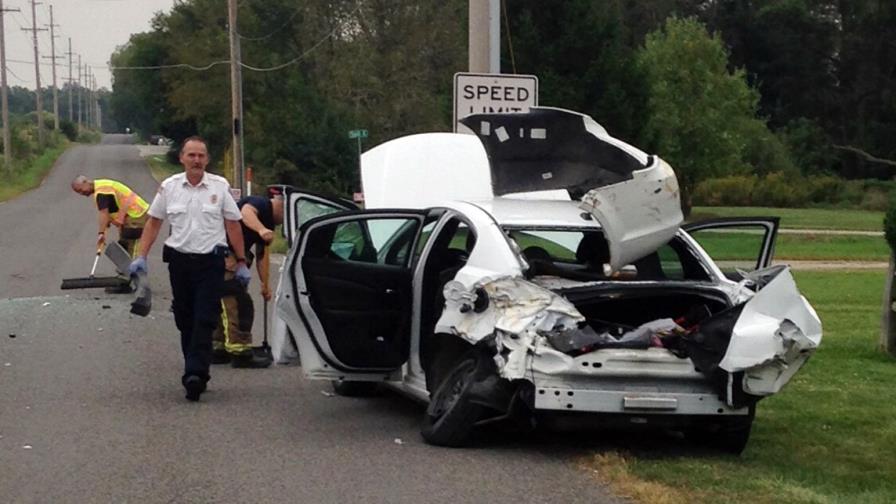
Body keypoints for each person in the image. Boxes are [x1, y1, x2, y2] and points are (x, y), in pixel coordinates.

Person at [129, 136, 251, 402]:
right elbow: (154, 222)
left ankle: (195, 373)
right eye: (191, 155)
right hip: (180, 262)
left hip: (211, 263)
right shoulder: (170, 187)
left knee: (205, 317)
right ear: (182, 158)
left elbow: (233, 224)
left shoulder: (219, 186)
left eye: (201, 156)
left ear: (207, 160)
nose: (196, 160)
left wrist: (241, 261)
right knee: (185, 318)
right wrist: (142, 256)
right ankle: (193, 366)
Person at [211, 189, 284, 368]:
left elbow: (262, 255)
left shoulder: (269, 221)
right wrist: (261, 229)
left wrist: (265, 284)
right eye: (286, 214)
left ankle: (218, 347)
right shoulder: (260, 203)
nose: (284, 221)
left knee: (223, 303)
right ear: (281, 205)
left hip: (233, 258)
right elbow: (245, 213)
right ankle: (239, 351)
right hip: (225, 255)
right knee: (236, 304)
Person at [71, 175, 149, 259]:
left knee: (132, 242)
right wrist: (109, 221)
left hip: (137, 213)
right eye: (78, 192)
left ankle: (135, 264)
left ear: (85, 182)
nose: (81, 193)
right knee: (125, 243)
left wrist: (101, 233)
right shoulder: (101, 186)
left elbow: (104, 213)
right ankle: (129, 262)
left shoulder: (102, 192)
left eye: (80, 190)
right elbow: (111, 209)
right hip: (132, 214)